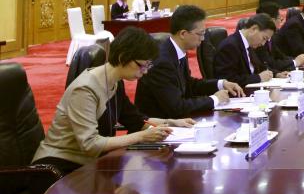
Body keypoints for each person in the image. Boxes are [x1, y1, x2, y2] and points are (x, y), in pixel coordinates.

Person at [33, 28, 196, 175]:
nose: (145, 72)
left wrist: (172, 123)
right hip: (56, 168)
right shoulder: (85, 89)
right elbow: (90, 144)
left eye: (148, 66)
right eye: (142, 66)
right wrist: (142, 136)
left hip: (89, 163)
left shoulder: (115, 82)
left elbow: (135, 120)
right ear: (122, 57)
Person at [134, 5, 244, 118]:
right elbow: (177, 107)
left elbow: (189, 84)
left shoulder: (177, 50)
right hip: (158, 127)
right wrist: (214, 99)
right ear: (183, 34)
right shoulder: (162, 62)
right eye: (200, 34)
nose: (202, 39)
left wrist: (221, 84)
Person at [213, 13, 277, 87]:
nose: (263, 44)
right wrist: (258, 78)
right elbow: (228, 80)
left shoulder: (250, 44)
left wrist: (276, 73)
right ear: (254, 29)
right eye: (264, 38)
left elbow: (260, 67)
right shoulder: (230, 46)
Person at [254, 2, 304, 72]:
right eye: (280, 19)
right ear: (272, 21)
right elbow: (271, 64)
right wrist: (295, 62)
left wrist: (299, 60)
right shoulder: (258, 40)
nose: (281, 22)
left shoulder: (271, 37)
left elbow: (281, 56)